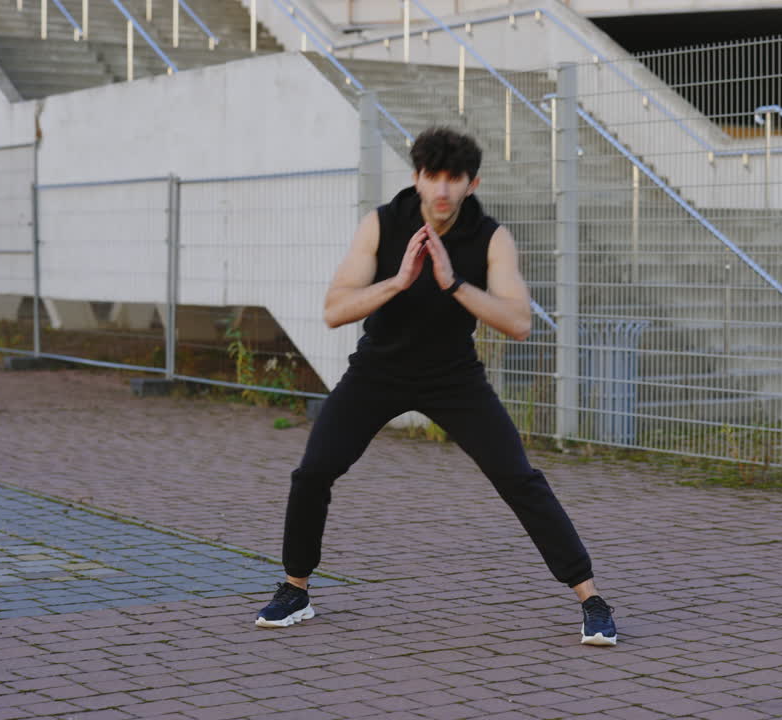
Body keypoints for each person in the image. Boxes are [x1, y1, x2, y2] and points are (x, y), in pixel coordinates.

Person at [255, 127, 617, 646]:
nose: (442, 190)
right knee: (312, 472)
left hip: (454, 378)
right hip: (377, 371)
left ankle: (592, 600)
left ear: (473, 183)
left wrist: (453, 283)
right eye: (433, 177)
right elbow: (335, 310)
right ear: (417, 178)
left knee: (519, 479)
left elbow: (518, 323)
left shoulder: (490, 237)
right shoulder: (382, 224)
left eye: (455, 179)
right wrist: (400, 281)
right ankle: (296, 589)